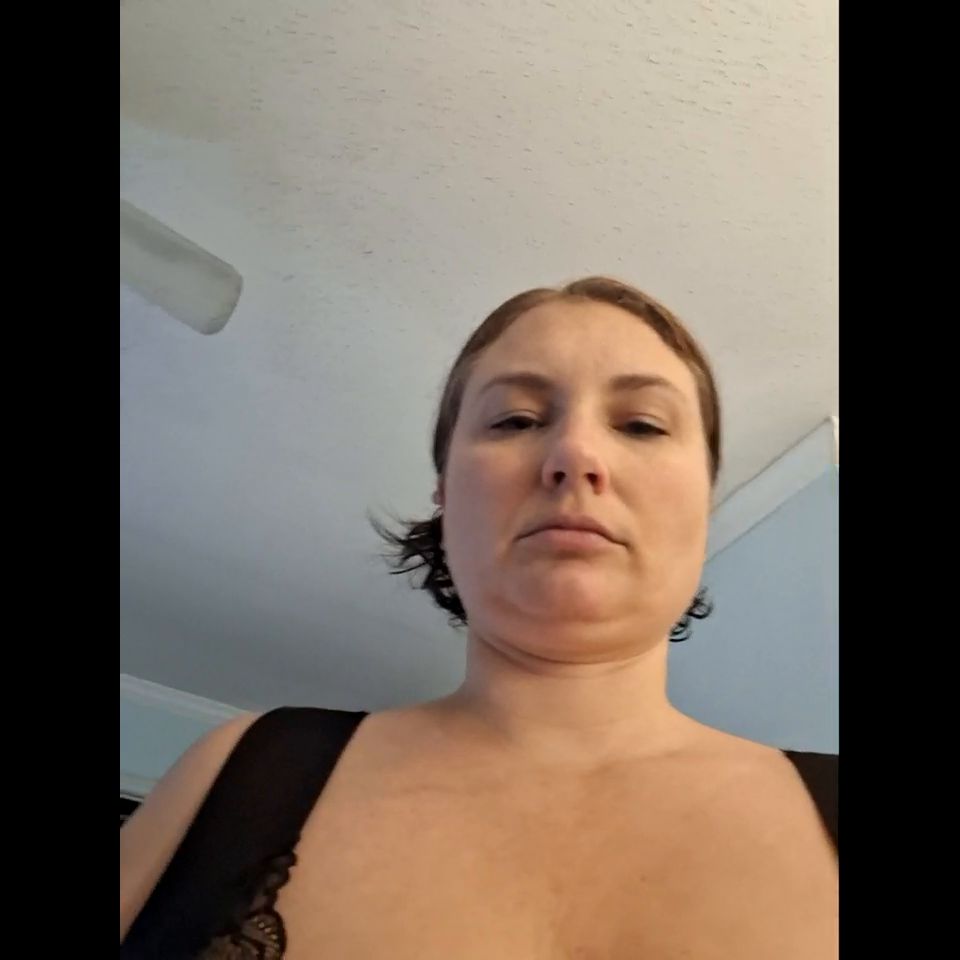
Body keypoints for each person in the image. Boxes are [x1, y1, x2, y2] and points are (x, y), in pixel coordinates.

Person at [120, 276, 838, 959]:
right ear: (444, 492)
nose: (575, 453)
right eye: (516, 419)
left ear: (704, 499)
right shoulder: (239, 771)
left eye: (643, 425)